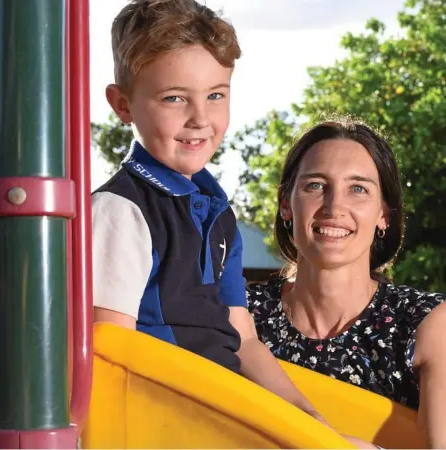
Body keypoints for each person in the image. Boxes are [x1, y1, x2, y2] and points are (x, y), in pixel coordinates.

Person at [91, 0, 344, 434]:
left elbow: (242, 337)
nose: (200, 119)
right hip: (168, 419)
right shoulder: (122, 212)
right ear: (123, 105)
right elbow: (111, 352)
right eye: (174, 98)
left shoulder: (218, 212)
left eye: (215, 96)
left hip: (221, 406)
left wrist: (313, 422)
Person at [247, 118, 446, 448]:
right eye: (315, 186)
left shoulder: (430, 325)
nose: (334, 206)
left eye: (358, 189)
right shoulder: (238, 315)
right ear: (286, 205)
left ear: (385, 214)